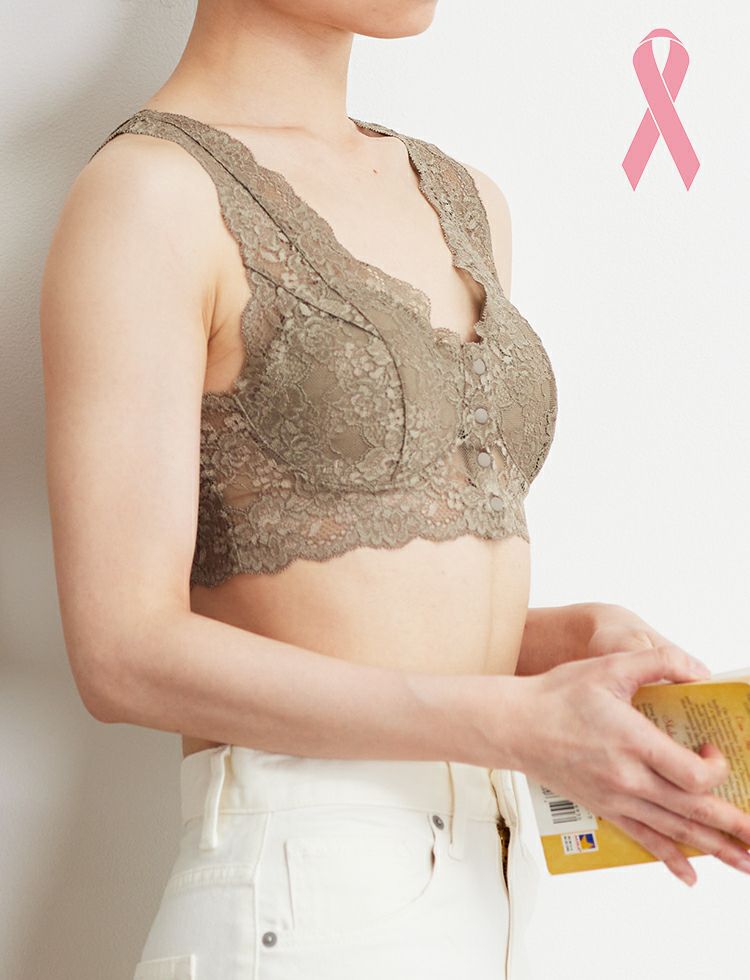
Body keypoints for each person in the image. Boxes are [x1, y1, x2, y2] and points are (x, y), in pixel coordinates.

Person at [40, 2, 750, 978]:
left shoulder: (464, 198)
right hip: (300, 887)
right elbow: (122, 653)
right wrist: (515, 722)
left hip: (488, 882)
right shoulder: (148, 194)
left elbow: (345, 592)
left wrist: (556, 645)